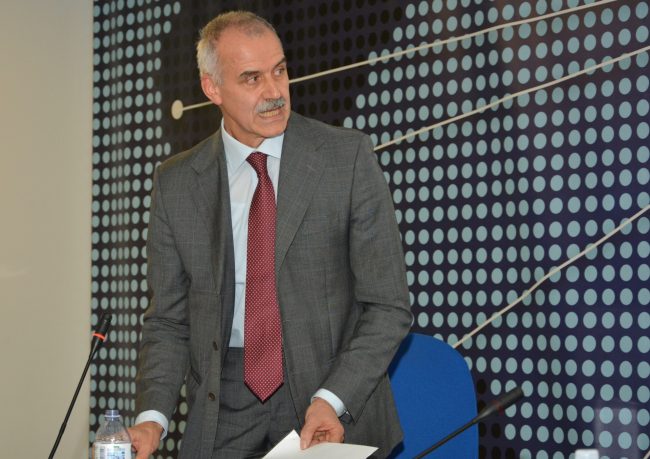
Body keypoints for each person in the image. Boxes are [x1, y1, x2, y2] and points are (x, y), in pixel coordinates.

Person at [128, 10, 412, 459]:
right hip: (222, 402)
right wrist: (151, 420)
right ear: (212, 88)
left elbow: (388, 307)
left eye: (279, 71)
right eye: (252, 78)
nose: (274, 92)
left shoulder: (346, 158)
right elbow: (168, 319)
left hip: (328, 397)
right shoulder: (177, 182)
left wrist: (332, 398)